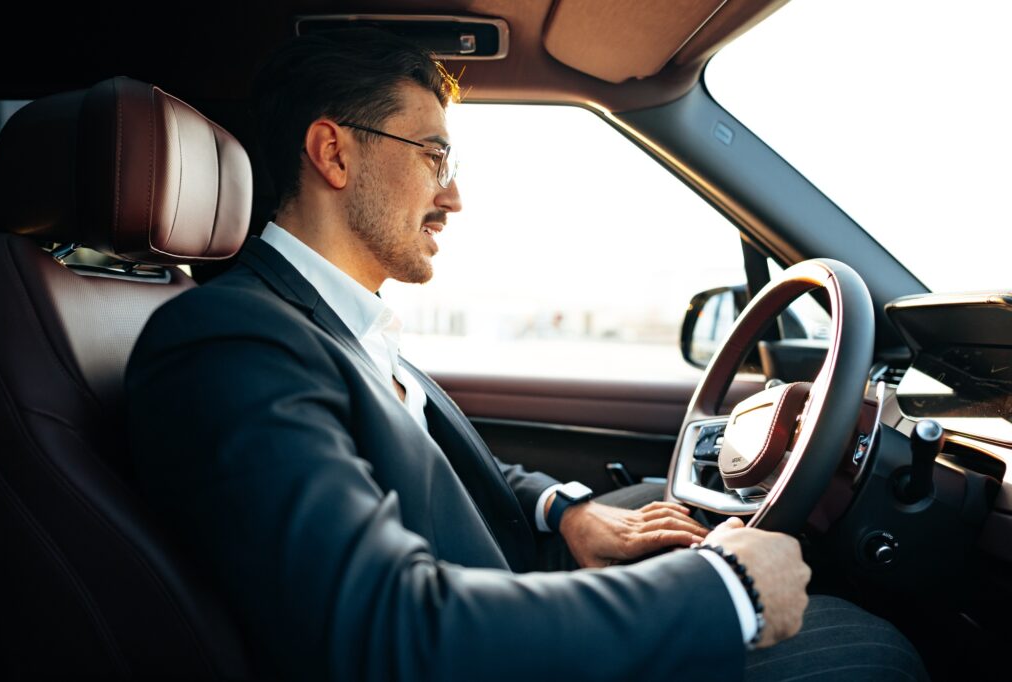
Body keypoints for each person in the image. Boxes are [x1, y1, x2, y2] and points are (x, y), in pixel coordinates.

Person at [126, 30, 926, 681]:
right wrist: (727, 593)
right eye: (434, 156)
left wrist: (566, 513)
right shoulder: (229, 341)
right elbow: (379, 631)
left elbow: (437, 467)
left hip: (497, 603)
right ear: (334, 154)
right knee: (874, 660)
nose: (455, 196)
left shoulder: (334, 322)